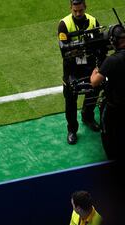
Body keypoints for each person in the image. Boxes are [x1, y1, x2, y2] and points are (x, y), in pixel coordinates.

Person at [58, 0, 102, 145]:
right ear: (70, 8)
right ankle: (72, 130)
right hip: (71, 69)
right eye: (75, 10)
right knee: (70, 99)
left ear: (85, 7)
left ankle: (88, 116)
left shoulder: (93, 21)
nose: (78, 13)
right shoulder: (64, 24)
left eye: (80, 10)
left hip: (89, 66)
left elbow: (99, 45)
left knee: (93, 91)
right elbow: (64, 50)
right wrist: (85, 48)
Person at [90, 25, 125, 160]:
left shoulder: (111, 61)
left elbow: (94, 82)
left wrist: (96, 69)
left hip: (115, 108)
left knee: (109, 136)